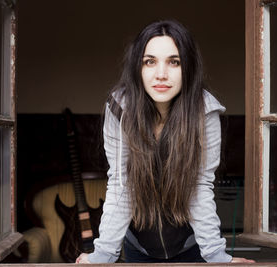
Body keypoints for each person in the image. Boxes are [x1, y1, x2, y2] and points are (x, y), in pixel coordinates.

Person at [76, 20, 254, 264]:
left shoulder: (205, 111)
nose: (161, 74)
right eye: (150, 61)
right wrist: (103, 255)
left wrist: (216, 255)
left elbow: (200, 187)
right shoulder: (120, 108)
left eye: (174, 62)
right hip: (138, 246)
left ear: (188, 67)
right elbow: (121, 184)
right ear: (138, 67)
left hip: (191, 246)